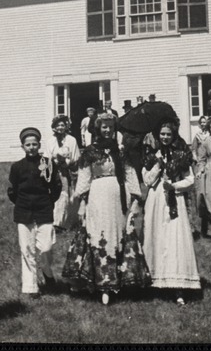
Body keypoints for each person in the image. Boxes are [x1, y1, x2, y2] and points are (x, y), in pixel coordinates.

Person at [63, 113, 148, 304]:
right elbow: (84, 178)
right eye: (104, 127)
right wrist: (80, 201)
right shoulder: (90, 152)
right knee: (99, 234)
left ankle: (121, 281)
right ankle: (101, 284)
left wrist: (135, 198)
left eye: (111, 127)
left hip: (119, 197)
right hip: (98, 196)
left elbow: (130, 174)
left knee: (118, 234)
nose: (108, 130)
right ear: (97, 129)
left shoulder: (120, 151)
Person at [142, 119, 201, 305]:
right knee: (156, 237)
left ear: (173, 135)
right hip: (156, 200)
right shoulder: (151, 154)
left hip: (175, 200)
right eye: (162, 134)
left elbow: (190, 179)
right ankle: (153, 281)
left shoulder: (181, 154)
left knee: (175, 239)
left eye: (168, 134)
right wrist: (158, 165)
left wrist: (174, 185)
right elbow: (147, 181)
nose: (165, 137)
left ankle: (178, 286)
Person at [8, 127, 62, 297]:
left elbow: (56, 187)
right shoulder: (17, 167)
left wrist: (47, 202)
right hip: (24, 211)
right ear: (22, 147)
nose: (31, 147)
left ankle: (47, 273)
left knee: (45, 247)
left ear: (39, 145)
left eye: (34, 144)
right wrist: (23, 203)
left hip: (44, 209)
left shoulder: (47, 163)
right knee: (27, 249)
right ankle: (31, 287)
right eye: (27, 144)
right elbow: (12, 191)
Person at [44, 115, 80, 231]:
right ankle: (56, 222)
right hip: (54, 171)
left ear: (66, 126)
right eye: (58, 125)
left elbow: (75, 157)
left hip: (67, 171)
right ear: (54, 127)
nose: (60, 127)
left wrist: (66, 162)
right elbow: (46, 157)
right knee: (57, 196)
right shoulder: (50, 141)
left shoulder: (71, 140)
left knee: (68, 196)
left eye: (62, 125)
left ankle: (67, 222)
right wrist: (54, 161)